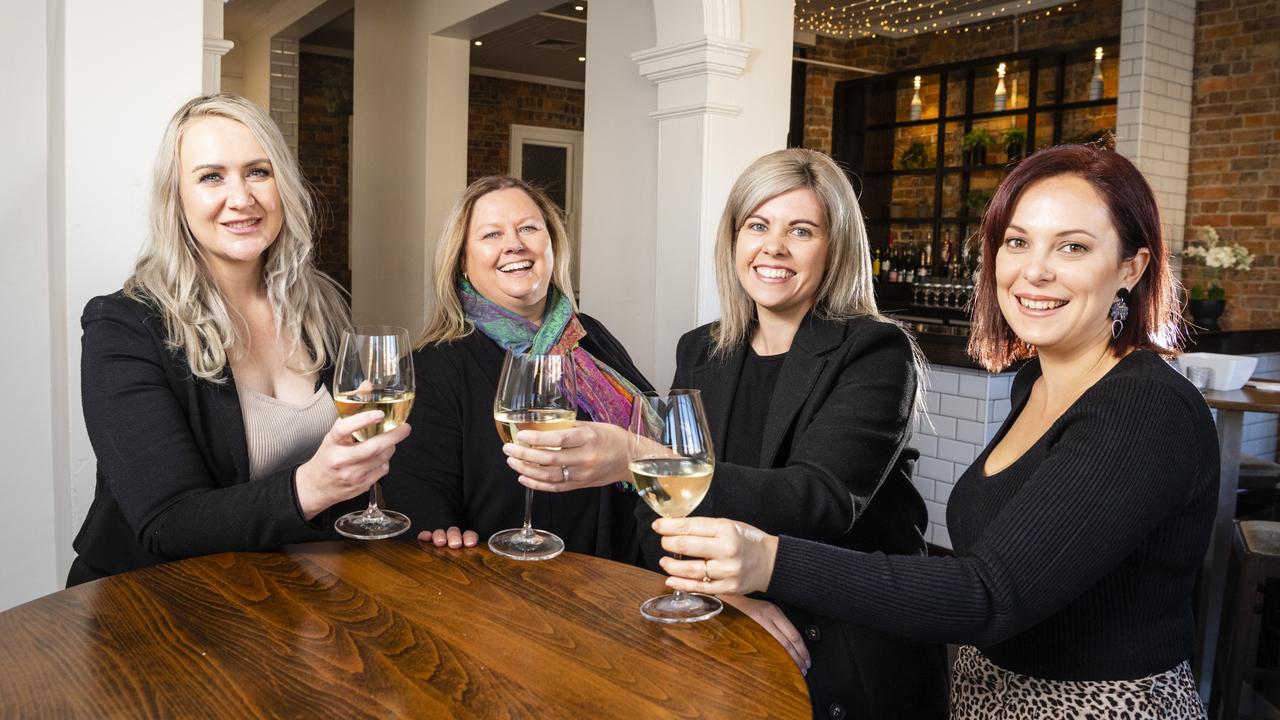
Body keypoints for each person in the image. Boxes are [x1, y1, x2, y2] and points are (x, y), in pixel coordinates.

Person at [653, 144, 1215, 718]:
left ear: (1132, 267)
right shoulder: (1037, 386)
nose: (1035, 270)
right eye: (1017, 242)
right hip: (985, 695)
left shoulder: (1143, 406)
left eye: (1072, 246)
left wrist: (769, 561)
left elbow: (990, 594)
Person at [503, 148, 948, 719]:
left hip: (845, 644)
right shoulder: (702, 350)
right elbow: (654, 511)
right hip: (726, 626)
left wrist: (639, 457)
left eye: (802, 230)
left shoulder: (875, 351)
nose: (774, 247)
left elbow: (818, 501)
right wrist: (725, 596)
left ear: (834, 248)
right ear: (734, 239)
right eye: (757, 225)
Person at [70, 94, 409, 586]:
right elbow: (168, 521)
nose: (242, 198)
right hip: (153, 605)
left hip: (283, 597)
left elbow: (356, 482)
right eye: (211, 177)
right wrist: (309, 487)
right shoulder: (123, 325)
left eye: (258, 172)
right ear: (176, 198)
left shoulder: (324, 308)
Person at [381, 176, 652, 561]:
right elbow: (418, 508)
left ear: (552, 243)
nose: (514, 244)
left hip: (623, 582)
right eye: (492, 235)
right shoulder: (433, 367)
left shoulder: (590, 337)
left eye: (528, 228)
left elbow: (659, 442)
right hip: (507, 592)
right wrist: (441, 539)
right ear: (462, 259)